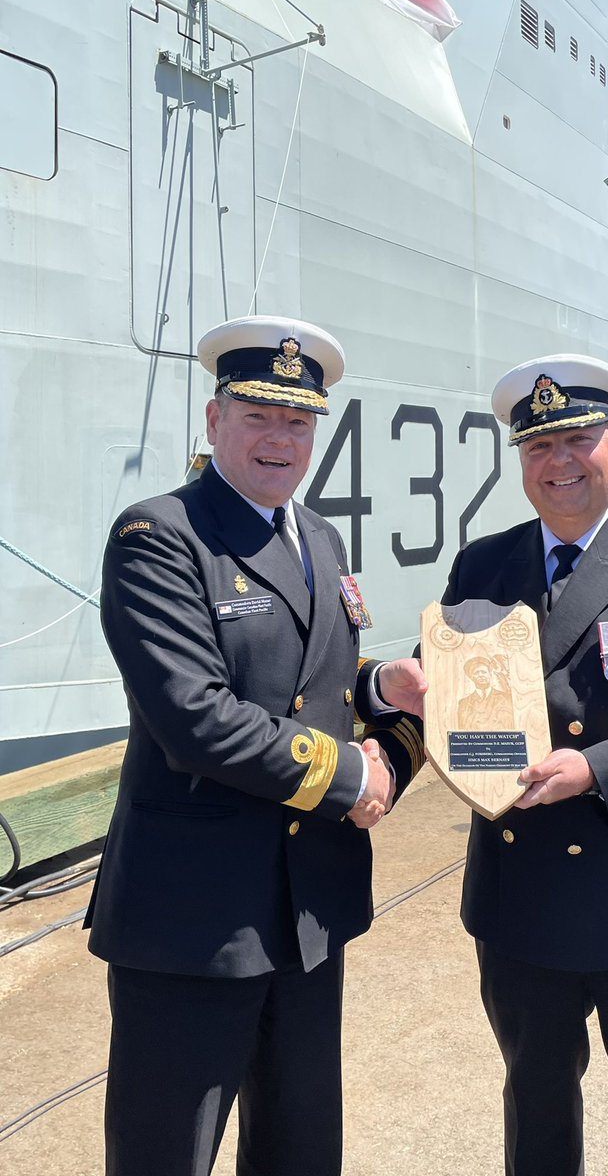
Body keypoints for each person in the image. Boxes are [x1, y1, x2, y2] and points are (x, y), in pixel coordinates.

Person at [366, 354, 608, 1176]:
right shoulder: (485, 564)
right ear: (521, 459)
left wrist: (595, 771)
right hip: (526, 897)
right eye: (538, 446)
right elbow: (444, 694)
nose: (559, 462)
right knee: (537, 1118)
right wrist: (385, 736)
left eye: (578, 439)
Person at [85, 315, 426, 1176]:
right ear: (214, 419)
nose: (279, 439)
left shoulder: (317, 537)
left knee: (298, 1147)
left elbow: (305, 681)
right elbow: (195, 716)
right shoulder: (159, 536)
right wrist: (353, 774)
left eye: (298, 421)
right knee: (168, 1151)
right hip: (194, 915)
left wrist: (380, 688)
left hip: (307, 905)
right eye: (258, 416)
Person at [457, 655, 514, 731]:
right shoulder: (464, 703)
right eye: (476, 673)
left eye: (483, 672)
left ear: (490, 674)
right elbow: (463, 728)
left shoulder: (506, 698)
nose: (480, 675)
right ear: (471, 677)